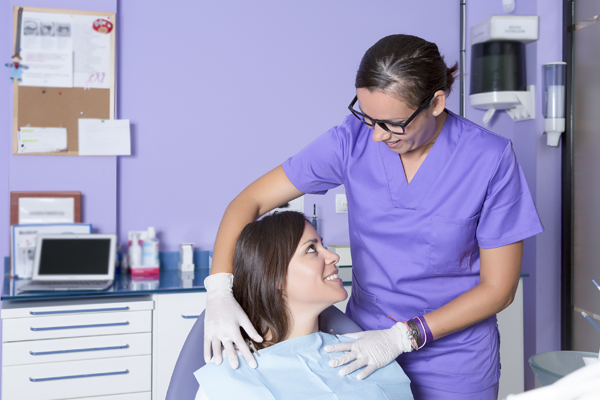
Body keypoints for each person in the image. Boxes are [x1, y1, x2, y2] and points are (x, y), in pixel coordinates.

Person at [203, 34, 544, 399]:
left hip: (454, 361)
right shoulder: (352, 140)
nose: (377, 137)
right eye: (368, 118)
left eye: (392, 124)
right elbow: (249, 201)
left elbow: (499, 288)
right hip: (360, 350)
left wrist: (403, 336)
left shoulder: (489, 159)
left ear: (436, 103)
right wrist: (219, 290)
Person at [195, 211, 413, 399]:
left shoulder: (368, 348)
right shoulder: (230, 379)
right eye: (311, 249)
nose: (334, 256)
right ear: (274, 277)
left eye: (323, 245)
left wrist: (404, 336)